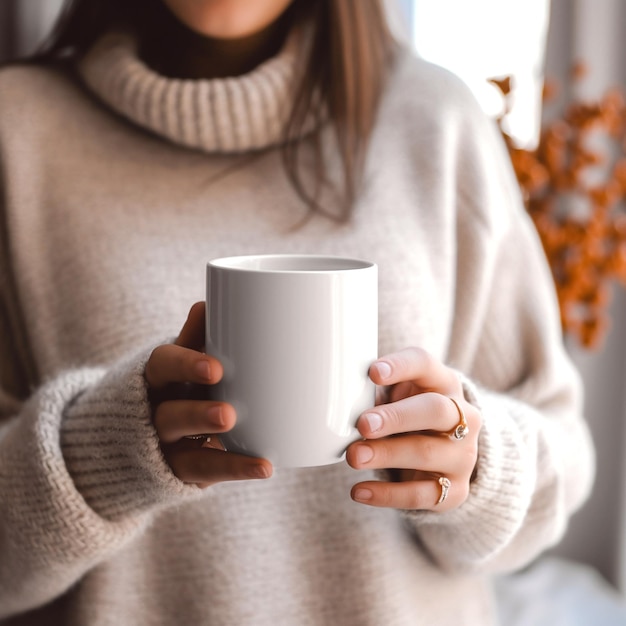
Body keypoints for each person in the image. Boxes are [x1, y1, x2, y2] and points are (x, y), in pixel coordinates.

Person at [0, 0, 595, 624]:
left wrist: (480, 472)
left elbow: (563, 449)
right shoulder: (18, 132)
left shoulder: (435, 120)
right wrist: (99, 457)